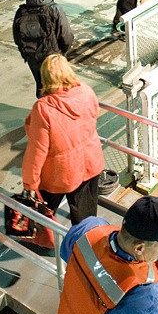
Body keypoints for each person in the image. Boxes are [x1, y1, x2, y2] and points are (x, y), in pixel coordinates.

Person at [21, 54, 104, 224]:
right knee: (85, 221)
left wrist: (30, 182)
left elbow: (37, 151)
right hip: (90, 163)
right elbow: (94, 115)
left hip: (59, 173)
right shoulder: (87, 91)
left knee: (40, 214)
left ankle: (38, 242)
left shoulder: (44, 108)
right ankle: (83, 247)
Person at [12, 0, 74, 97]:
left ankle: (42, 109)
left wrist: (26, 53)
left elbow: (17, 36)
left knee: (41, 86)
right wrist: (61, 53)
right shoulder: (54, 9)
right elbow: (66, 35)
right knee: (57, 88)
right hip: (51, 56)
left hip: (32, 56)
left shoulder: (21, 12)